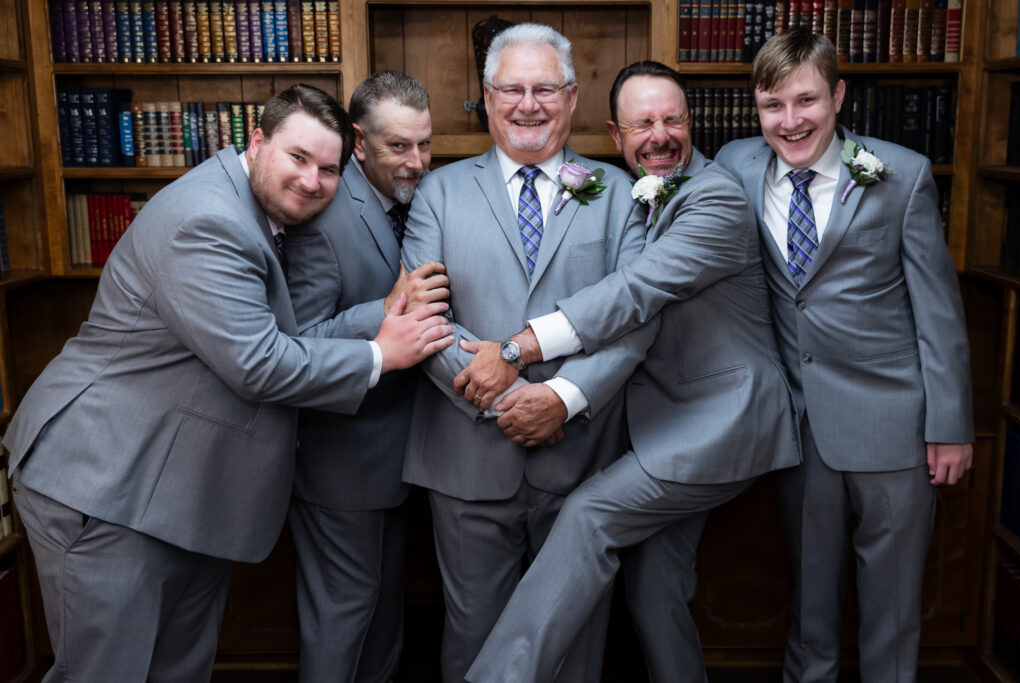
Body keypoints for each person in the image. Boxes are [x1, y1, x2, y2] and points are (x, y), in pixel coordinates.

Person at [1, 84, 453, 682]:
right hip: (106, 478)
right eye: (298, 158)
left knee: (178, 671)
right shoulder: (208, 220)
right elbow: (259, 363)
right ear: (258, 140)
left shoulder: (253, 205)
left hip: (180, 486)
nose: (313, 182)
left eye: (328, 169)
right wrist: (379, 355)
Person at [461, 60, 801, 683]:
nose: (661, 135)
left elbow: (637, 290)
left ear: (691, 123)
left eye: (673, 119)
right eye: (643, 123)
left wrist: (519, 348)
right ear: (616, 136)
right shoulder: (628, 192)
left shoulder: (716, 198)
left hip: (721, 423)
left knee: (588, 515)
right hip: (665, 424)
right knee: (655, 590)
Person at [399, 23, 656, 683]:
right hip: (465, 460)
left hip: (581, 460)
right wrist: (511, 403)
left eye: (545, 88)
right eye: (512, 88)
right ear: (487, 98)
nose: (528, 103)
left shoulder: (616, 193)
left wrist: (561, 401)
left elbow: (634, 319)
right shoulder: (440, 192)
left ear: (571, 98)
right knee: (473, 643)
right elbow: (423, 320)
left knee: (573, 641)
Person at [715, 28, 973, 682]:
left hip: (895, 426)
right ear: (757, 107)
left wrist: (949, 426)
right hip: (798, 431)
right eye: (773, 105)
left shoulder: (900, 174)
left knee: (891, 608)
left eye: (806, 101)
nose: (791, 121)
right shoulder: (736, 165)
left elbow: (938, 310)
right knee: (810, 605)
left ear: (838, 95)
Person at [284, 71, 445, 683]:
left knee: (381, 622)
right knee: (343, 619)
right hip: (339, 463)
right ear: (358, 142)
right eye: (398, 147)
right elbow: (294, 348)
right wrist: (381, 313)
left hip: (397, 458)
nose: (417, 162)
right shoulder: (324, 216)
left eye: (425, 144)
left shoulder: (415, 199)